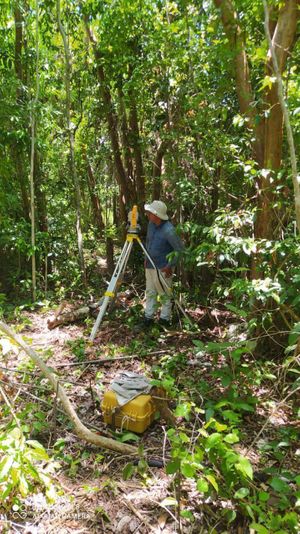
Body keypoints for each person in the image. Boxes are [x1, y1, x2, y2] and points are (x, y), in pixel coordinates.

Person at [142, 200, 184, 327]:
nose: (148, 214)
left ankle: (164, 320)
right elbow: (149, 242)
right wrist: (146, 258)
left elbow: (180, 250)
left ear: (157, 215)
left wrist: (170, 265)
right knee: (150, 292)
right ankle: (148, 318)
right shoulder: (151, 224)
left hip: (163, 268)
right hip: (149, 265)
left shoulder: (169, 230)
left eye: (150, 212)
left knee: (165, 295)